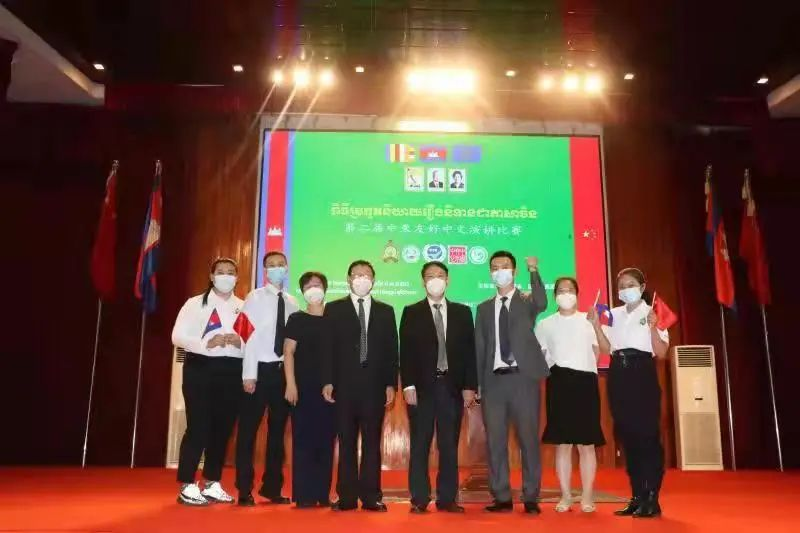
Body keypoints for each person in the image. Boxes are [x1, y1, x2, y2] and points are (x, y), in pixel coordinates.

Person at [588, 267, 669, 519]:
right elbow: (606, 348)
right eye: (621, 286)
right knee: (627, 436)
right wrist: (596, 326)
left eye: (631, 284)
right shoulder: (614, 314)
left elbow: (662, 352)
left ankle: (652, 497)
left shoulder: (653, 312)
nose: (625, 289)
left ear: (642, 287)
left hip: (642, 372)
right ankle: (636, 496)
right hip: (618, 374)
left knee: (647, 436)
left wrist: (653, 327)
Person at [400, 261, 477, 514]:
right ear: (423, 281)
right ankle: (419, 498)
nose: (435, 279)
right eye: (430, 275)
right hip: (421, 388)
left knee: (448, 445)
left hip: (451, 387)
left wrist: (469, 385)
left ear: (448, 280)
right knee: (420, 444)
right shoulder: (411, 312)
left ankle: (447, 498)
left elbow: (470, 352)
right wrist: (408, 385)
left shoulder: (462, 312)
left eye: (440, 275)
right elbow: (406, 352)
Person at [474, 250, 548, 514]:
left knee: (528, 439)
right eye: (495, 268)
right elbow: (480, 347)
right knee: (495, 441)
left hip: (523, 379)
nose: (499, 271)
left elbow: (542, 302)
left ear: (514, 271)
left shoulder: (526, 301)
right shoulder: (483, 308)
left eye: (504, 266)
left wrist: (534, 271)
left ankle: (531, 496)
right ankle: (501, 495)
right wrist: (478, 384)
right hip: (493, 382)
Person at [322, 260, 399, 512]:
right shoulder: (334, 309)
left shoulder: (386, 311)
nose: (361, 279)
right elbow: (328, 348)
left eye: (366, 275)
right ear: (348, 279)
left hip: (374, 387)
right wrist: (328, 380)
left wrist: (390, 383)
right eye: (356, 274)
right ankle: (346, 497)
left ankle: (371, 496)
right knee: (345, 442)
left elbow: (391, 351)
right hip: (343, 386)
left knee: (371, 442)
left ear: (373, 280)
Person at [171, 257, 244, 506]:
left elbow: (251, 340)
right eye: (220, 272)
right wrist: (206, 343)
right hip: (200, 368)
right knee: (198, 426)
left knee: (222, 429)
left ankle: (212, 482)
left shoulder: (242, 306)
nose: (226, 276)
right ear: (212, 277)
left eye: (231, 272)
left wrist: (240, 342)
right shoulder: (194, 303)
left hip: (232, 370)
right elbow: (177, 336)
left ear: (236, 277)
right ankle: (187, 484)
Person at [534, 277, 605, 513]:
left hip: (585, 383)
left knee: (586, 444)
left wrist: (596, 325)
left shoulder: (588, 320)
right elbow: (539, 356)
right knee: (563, 444)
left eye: (570, 290)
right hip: (559, 383)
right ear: (555, 295)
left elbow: (601, 351)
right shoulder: (545, 324)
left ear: (577, 294)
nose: (566, 294)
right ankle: (565, 495)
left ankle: (587, 495)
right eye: (561, 290)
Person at [235, 251, 299, 506]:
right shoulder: (254, 297)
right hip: (258, 371)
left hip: (283, 373)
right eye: (271, 265)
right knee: (248, 432)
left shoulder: (293, 301)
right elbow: (245, 335)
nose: (276, 269)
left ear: (287, 268)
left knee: (277, 433)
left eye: (280, 264)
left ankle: (272, 487)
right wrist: (249, 374)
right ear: (264, 271)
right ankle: (244, 489)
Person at [283, 272, 337, 508]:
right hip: (302, 387)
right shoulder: (297, 318)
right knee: (303, 440)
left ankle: (322, 494)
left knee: (326, 440)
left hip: (330, 388)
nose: (313, 289)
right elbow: (288, 352)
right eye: (308, 286)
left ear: (325, 289)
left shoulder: (335, 318)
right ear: (302, 292)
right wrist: (290, 384)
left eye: (317, 285)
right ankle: (304, 495)